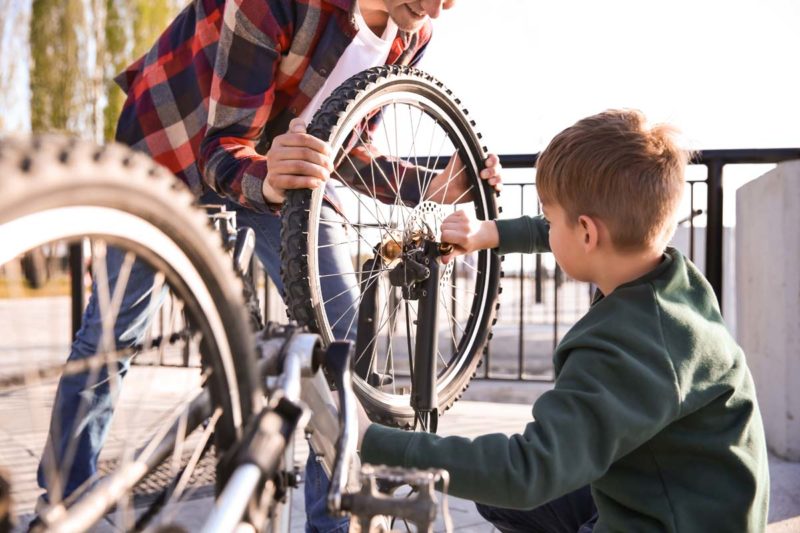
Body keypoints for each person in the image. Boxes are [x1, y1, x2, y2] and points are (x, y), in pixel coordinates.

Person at [34, 0, 502, 530]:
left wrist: (434, 184)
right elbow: (222, 147)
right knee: (110, 338)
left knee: (346, 345)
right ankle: (65, 505)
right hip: (175, 145)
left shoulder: (411, 31)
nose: (441, 6)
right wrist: (270, 178)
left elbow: (350, 147)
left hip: (288, 174)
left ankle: (332, 522)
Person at [356, 109, 770, 532]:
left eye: (551, 219)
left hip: (666, 521)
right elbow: (568, 226)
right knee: (501, 502)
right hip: (692, 500)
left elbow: (526, 472)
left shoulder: (627, 345)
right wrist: (491, 233)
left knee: (512, 486)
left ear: (588, 234)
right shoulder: (670, 281)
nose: (547, 230)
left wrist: (371, 442)